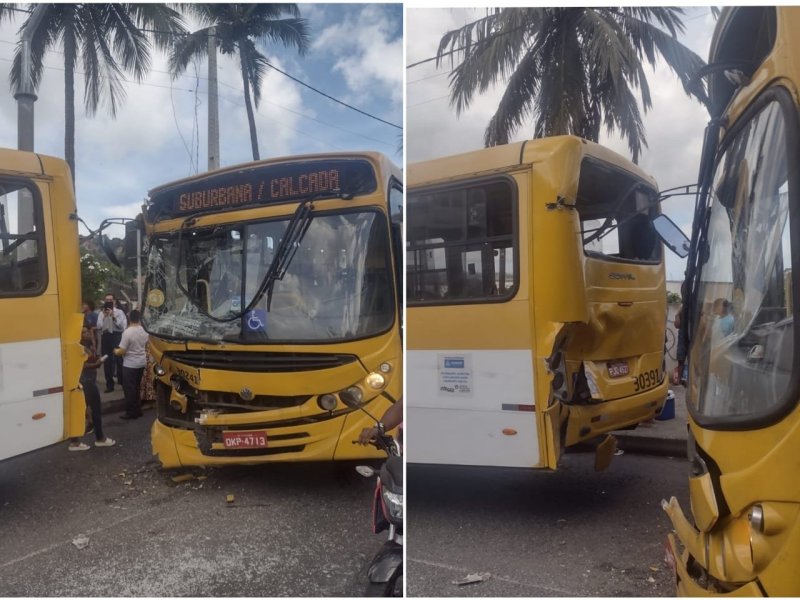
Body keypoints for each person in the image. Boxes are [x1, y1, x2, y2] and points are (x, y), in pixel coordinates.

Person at [68, 327, 116, 451]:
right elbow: (81, 365)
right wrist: (96, 364)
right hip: (87, 381)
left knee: (82, 410)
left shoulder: (88, 345)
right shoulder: (80, 348)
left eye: (88, 331)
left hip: (89, 380)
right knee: (96, 410)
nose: (88, 333)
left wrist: (95, 350)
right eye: (84, 332)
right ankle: (100, 439)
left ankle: (75, 440)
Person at [115, 309, 149, 420]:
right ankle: (138, 410)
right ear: (139, 318)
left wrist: (115, 351)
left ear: (129, 318)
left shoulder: (128, 332)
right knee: (137, 387)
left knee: (129, 389)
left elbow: (122, 351)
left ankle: (130, 412)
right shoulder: (144, 330)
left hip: (130, 364)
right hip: (141, 362)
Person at [97, 292, 127, 392]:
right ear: (105, 301)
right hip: (106, 337)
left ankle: (122, 382)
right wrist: (105, 317)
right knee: (107, 360)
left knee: (119, 360)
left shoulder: (119, 312)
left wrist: (113, 317)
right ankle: (109, 385)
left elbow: (122, 326)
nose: (109, 302)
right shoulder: (101, 313)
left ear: (114, 301)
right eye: (107, 300)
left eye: (111, 300)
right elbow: (99, 326)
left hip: (117, 336)